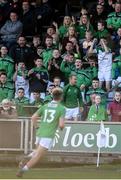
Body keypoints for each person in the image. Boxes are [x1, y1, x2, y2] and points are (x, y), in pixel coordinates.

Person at [16, 87, 65, 177]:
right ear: (61, 97)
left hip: (40, 133)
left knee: (37, 152)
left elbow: (33, 117)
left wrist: (37, 127)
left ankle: (26, 158)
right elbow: (61, 125)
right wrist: (61, 128)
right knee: (38, 156)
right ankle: (22, 170)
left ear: (52, 96)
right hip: (48, 134)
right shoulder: (61, 108)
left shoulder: (45, 106)